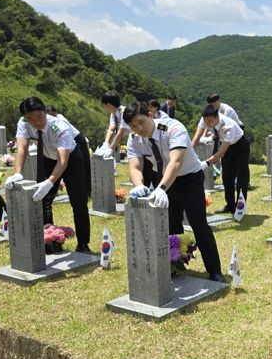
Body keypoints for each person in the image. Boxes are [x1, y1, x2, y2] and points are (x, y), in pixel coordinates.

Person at [122, 102, 225, 283]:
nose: (139, 129)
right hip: (162, 179)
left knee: (199, 224)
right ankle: (174, 265)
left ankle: (215, 271)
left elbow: (175, 162)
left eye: (141, 122)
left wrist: (161, 189)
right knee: (169, 225)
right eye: (133, 126)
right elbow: (135, 165)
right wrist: (138, 185)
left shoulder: (172, 128)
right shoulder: (134, 138)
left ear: (150, 114)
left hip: (189, 178)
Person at [5, 97, 91, 253]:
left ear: (45, 112)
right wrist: (17, 173)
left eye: (39, 117)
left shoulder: (59, 126)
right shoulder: (23, 123)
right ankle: (48, 238)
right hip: (47, 157)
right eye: (30, 119)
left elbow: (63, 161)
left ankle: (83, 243)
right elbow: (22, 149)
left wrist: (50, 182)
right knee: (43, 200)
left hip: (71, 159)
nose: (36, 122)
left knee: (78, 202)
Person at [200, 104, 250, 215]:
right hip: (227, 145)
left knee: (241, 178)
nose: (208, 123)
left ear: (217, 117)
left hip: (239, 147)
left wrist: (206, 163)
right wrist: (208, 138)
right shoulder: (209, 120)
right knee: (227, 177)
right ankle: (230, 205)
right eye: (206, 121)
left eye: (210, 121)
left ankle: (240, 208)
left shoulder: (228, 126)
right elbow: (212, 132)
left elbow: (221, 152)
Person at [47, 104, 91, 196]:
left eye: (52, 114)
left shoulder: (60, 119)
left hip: (77, 140)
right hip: (69, 143)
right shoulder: (50, 122)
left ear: (55, 112)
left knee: (84, 167)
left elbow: (67, 135)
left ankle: (87, 191)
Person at [97, 91, 130, 157]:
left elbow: (120, 133)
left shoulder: (124, 112)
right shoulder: (113, 114)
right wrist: (106, 143)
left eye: (104, 105)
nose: (103, 107)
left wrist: (110, 149)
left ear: (109, 104)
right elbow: (111, 129)